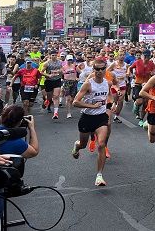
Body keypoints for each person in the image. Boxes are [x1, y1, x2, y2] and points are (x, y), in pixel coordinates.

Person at [71, 58, 113, 186]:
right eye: (97, 69)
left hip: (101, 118)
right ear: (93, 70)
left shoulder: (108, 83)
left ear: (105, 69)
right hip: (87, 118)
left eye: (102, 69)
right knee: (83, 144)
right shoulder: (88, 84)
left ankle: (99, 176)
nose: (100, 71)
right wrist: (92, 106)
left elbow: (109, 95)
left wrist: (112, 102)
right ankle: (77, 146)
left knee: (101, 144)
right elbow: (75, 102)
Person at [128, 50, 155, 128]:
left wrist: (152, 73)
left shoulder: (151, 63)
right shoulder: (137, 62)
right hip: (138, 84)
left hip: (147, 85)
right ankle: (136, 105)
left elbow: (153, 72)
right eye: (145, 56)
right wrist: (131, 74)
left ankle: (141, 119)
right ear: (143, 56)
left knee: (145, 103)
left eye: (148, 56)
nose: (146, 58)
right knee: (139, 101)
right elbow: (130, 68)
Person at [42, 50, 64, 119]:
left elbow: (62, 70)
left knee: (56, 96)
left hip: (57, 80)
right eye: (52, 55)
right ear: (50, 56)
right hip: (49, 81)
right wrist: (48, 75)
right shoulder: (47, 63)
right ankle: (47, 101)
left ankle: (55, 113)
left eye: (55, 55)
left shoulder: (60, 62)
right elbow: (41, 72)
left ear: (57, 55)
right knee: (49, 97)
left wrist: (60, 71)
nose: (54, 56)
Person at [62, 55, 79, 119]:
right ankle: (68, 113)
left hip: (74, 82)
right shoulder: (64, 67)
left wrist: (78, 78)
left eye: (70, 60)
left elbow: (80, 72)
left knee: (72, 98)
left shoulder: (74, 66)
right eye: (68, 60)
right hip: (67, 82)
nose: (69, 61)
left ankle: (69, 106)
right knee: (68, 98)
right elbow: (62, 73)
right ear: (66, 60)